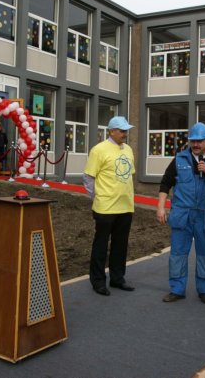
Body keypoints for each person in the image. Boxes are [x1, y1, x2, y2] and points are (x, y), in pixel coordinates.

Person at [156, 123, 205, 304]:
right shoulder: (179, 159)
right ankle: (177, 288)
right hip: (182, 214)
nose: (196, 145)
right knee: (178, 254)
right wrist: (161, 207)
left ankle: (204, 289)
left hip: (204, 215)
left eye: (200, 141)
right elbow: (165, 183)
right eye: (193, 141)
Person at [83, 116, 136, 296]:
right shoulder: (99, 150)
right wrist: (97, 197)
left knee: (121, 245)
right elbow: (88, 178)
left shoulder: (128, 150)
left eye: (126, 130)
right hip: (105, 207)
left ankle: (117, 278)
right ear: (111, 131)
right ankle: (98, 281)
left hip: (126, 206)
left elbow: (130, 175)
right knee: (101, 245)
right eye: (122, 131)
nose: (125, 134)